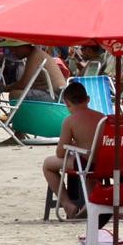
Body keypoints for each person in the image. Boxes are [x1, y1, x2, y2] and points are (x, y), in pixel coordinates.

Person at [40, 82, 102, 218]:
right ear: (88, 99)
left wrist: (73, 144)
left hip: (85, 163)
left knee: (48, 165)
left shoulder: (70, 120)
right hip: (104, 163)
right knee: (87, 166)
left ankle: (67, 203)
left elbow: (60, 153)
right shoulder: (101, 117)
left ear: (66, 103)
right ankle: (91, 201)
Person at [0, 42, 67, 100]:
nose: (12, 51)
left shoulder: (34, 55)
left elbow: (23, 84)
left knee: (14, 94)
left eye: (14, 48)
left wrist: (4, 88)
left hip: (55, 96)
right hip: (55, 94)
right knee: (16, 93)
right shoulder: (35, 54)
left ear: (24, 46)